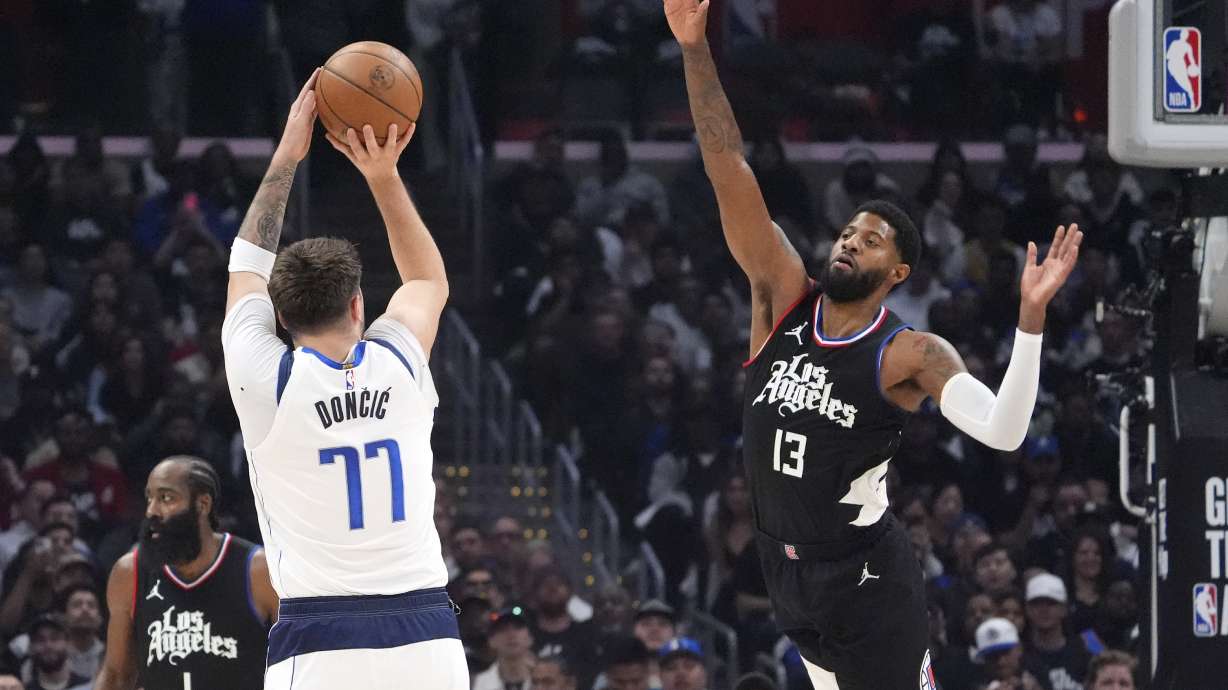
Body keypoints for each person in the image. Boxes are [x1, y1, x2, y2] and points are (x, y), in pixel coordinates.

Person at [664, 2, 1082, 687]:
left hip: (868, 580)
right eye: (849, 230)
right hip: (785, 569)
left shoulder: (909, 352)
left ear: (898, 273)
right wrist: (693, 48)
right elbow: (726, 166)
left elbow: (1005, 432)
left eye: (873, 238)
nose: (851, 239)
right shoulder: (780, 298)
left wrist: (1030, 320)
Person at [220, 70, 465, 688]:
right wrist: (383, 177)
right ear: (359, 304)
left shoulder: (267, 380)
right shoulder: (402, 362)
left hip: (323, 636)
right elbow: (426, 282)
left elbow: (244, 271)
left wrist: (287, 154)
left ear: (280, 315)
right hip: (429, 633)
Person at [94, 457, 277, 690]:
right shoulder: (130, 573)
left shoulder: (258, 570)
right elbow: (116, 676)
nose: (152, 511)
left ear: (203, 504)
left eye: (166, 498)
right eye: (149, 498)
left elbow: (297, 664)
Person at [1021, 573, 1091, 690]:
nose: (1044, 610)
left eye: (1051, 603)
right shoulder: (1018, 653)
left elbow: (1109, 662)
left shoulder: (1088, 642)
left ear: (1064, 608)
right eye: (1037, 604)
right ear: (1027, 609)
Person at [471, 607, 536, 690]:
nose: (511, 635)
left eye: (518, 627)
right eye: (502, 629)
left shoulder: (548, 679)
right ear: (491, 641)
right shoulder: (477, 683)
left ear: (530, 638)